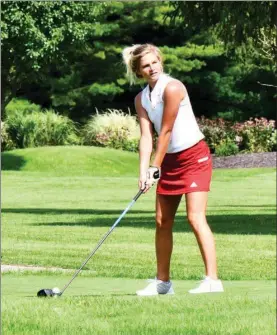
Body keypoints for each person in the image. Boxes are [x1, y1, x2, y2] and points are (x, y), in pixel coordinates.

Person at [122, 43, 224, 296]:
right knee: (162, 220)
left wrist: (155, 166)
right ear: (139, 72)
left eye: (154, 62)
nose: (152, 67)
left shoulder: (174, 88)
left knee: (194, 217)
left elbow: (166, 130)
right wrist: (144, 171)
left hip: (193, 157)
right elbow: (146, 137)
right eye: (145, 65)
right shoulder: (141, 99)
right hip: (169, 160)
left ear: (160, 61)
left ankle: (212, 280)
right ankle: (163, 283)